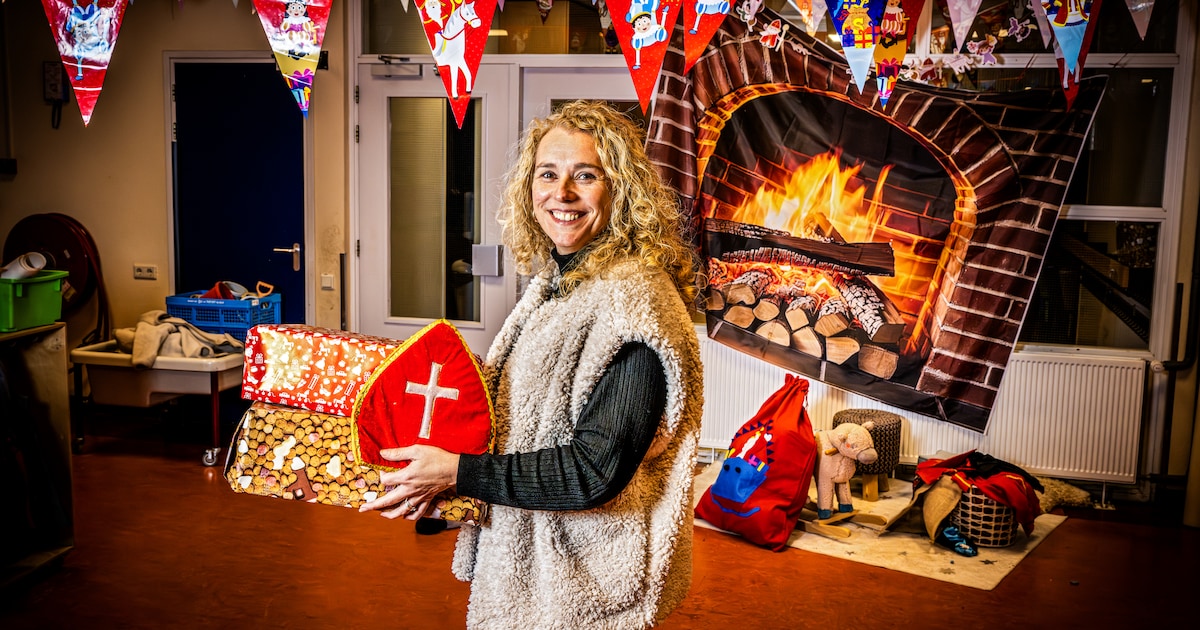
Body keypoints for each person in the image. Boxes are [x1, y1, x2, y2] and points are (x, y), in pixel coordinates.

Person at [359, 100, 704, 628]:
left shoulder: (634, 302)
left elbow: (594, 472)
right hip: (524, 560)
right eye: (548, 174)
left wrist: (458, 471)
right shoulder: (557, 284)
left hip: (579, 581)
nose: (561, 194)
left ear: (621, 190)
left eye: (585, 175)